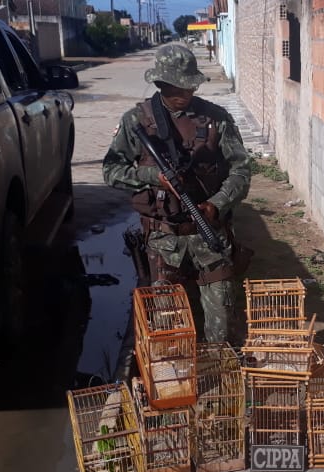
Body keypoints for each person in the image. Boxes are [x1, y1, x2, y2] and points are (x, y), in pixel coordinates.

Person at [103, 44, 252, 343]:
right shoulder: (137, 120)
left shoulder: (216, 119)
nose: (186, 92)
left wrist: (217, 203)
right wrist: (152, 177)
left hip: (209, 231)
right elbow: (111, 171)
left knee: (223, 322)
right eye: (178, 87)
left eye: (190, 86)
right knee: (167, 328)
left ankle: (221, 375)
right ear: (161, 83)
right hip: (163, 238)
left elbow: (241, 170)